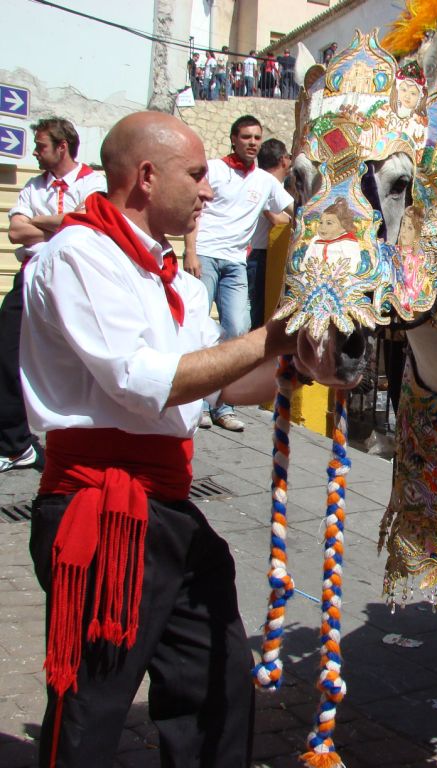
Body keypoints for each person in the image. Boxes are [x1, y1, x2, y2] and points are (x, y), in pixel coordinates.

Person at [19, 111, 299, 768]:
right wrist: (269, 336)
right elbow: (144, 382)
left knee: (217, 674)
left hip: (166, 508)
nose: (209, 191)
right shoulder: (78, 257)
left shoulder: (179, 281)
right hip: (101, 511)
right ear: (146, 177)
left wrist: (300, 361)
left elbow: (225, 385)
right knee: (92, 702)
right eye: (198, 175)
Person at [2, 118, 105, 473]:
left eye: (42, 146)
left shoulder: (95, 182)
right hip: (31, 274)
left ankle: (82, 440)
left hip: (71, 278)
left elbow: (89, 223)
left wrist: (45, 220)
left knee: (79, 358)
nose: (35, 151)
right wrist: (60, 220)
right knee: (7, 353)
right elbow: (16, 231)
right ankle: (16, 444)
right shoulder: (34, 185)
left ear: (62, 147)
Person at [183, 114, 293, 431]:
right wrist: (190, 251)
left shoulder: (265, 181)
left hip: (236, 262)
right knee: (197, 329)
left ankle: (224, 405)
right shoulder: (214, 170)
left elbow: (295, 210)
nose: (252, 143)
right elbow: (194, 209)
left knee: (238, 330)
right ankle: (198, 403)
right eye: (246, 137)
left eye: (257, 137)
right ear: (234, 138)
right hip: (204, 255)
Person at [247, 138, 292, 329]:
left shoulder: (277, 186)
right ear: (283, 160)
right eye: (289, 157)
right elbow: (277, 218)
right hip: (261, 257)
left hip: (274, 256)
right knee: (258, 318)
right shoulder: (263, 183)